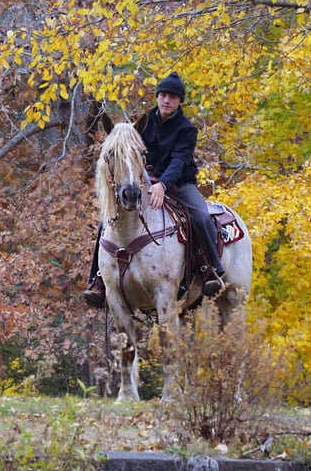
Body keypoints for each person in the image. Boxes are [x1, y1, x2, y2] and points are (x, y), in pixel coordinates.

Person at [83, 72, 225, 307]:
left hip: (179, 183)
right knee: (104, 222)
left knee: (200, 215)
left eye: (172, 97)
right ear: (157, 97)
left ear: (179, 101)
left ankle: (210, 269)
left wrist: (163, 184)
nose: (166, 100)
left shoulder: (186, 129)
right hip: (146, 180)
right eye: (163, 95)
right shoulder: (144, 123)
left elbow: (180, 161)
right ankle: (97, 280)